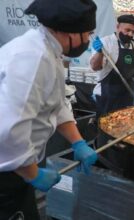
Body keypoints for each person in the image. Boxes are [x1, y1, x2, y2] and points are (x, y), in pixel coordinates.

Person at [0, 0, 98, 219]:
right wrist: (34, 174)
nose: (88, 40)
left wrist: (78, 142)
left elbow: (58, 101)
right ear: (69, 32)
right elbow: (8, 132)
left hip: (22, 164)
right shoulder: (32, 58)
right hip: (7, 170)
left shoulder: (49, 50)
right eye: (87, 34)